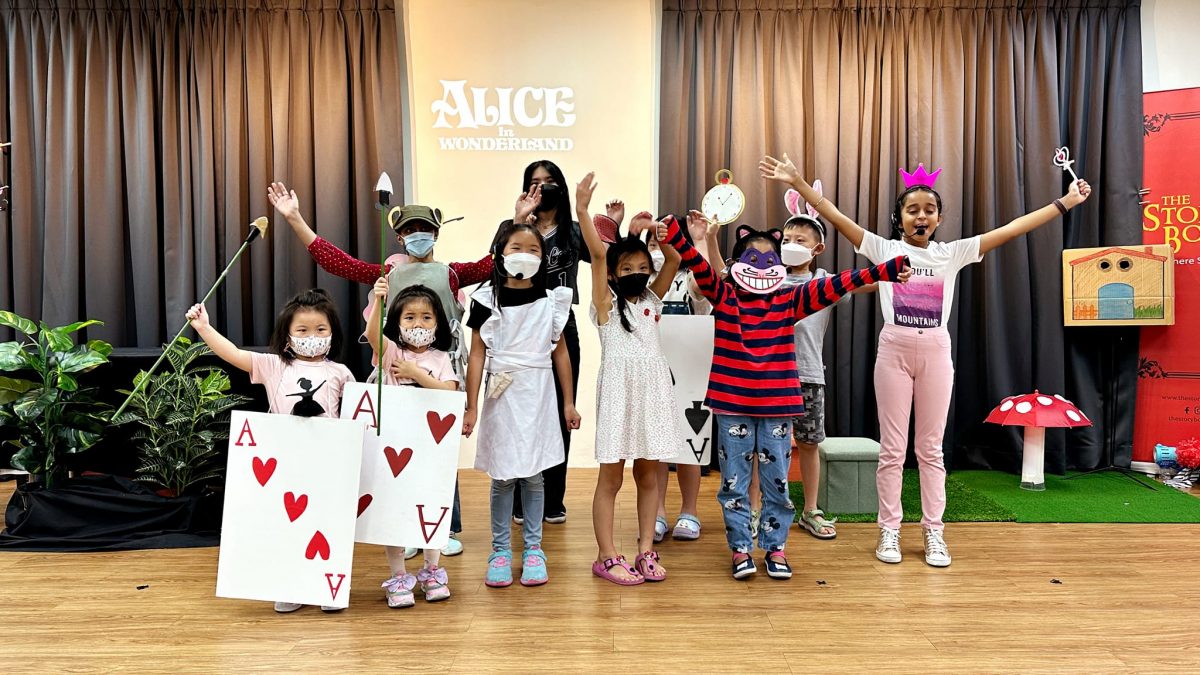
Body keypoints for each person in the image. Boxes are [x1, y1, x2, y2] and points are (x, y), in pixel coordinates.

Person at [761, 152, 1092, 567]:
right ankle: (889, 529)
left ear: (938, 218)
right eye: (912, 209)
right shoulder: (883, 249)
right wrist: (797, 183)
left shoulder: (951, 253)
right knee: (892, 450)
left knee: (931, 449)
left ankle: (934, 531)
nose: (921, 216)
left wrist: (1065, 202)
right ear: (899, 218)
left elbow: (1011, 229)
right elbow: (835, 215)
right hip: (893, 352)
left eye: (929, 210)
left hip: (935, 352)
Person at [661, 212, 910, 580]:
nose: (761, 267)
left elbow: (839, 283)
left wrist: (885, 270)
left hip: (777, 407)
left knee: (777, 482)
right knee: (734, 483)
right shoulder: (724, 295)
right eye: (752, 259)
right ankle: (741, 549)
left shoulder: (790, 300)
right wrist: (676, 235)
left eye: (769, 260)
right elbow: (696, 263)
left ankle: (775, 548)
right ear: (735, 265)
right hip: (733, 406)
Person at [267, 182, 475, 556]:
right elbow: (337, 262)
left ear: (436, 234)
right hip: (394, 373)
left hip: (437, 370)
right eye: (410, 230)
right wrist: (295, 218)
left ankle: (442, 526)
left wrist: (522, 219)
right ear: (399, 237)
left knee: (438, 452)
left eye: (425, 229)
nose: (418, 236)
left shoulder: (451, 274)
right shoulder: (387, 273)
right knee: (395, 453)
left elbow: (491, 264)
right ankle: (401, 527)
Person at [186, 289, 354, 613]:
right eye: (302, 330)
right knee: (286, 523)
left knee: (326, 523)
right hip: (285, 462)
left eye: (320, 329)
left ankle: (327, 588)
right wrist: (204, 327)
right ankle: (291, 585)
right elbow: (234, 354)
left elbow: (354, 415)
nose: (312, 336)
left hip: (327, 462)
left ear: (333, 332)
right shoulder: (274, 365)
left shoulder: (341, 372)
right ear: (287, 336)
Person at [461, 220, 581, 588]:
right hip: (502, 392)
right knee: (502, 475)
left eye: (533, 250)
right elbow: (477, 355)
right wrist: (471, 406)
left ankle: (533, 548)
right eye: (516, 248)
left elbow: (561, 354)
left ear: (543, 258)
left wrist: (569, 403)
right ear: (500, 253)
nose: (525, 255)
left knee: (533, 475)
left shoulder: (552, 301)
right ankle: (499, 550)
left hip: (539, 392)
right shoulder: (486, 299)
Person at [576, 173, 681, 585]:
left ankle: (645, 550)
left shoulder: (653, 299)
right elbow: (597, 256)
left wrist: (662, 237)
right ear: (614, 274)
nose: (637, 272)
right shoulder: (604, 305)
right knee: (612, 477)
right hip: (620, 397)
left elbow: (673, 261)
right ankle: (606, 555)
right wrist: (583, 210)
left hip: (653, 395)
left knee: (649, 475)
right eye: (627, 268)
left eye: (642, 267)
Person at [777, 185, 878, 541]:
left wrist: (894, 271)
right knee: (766, 447)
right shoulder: (767, 278)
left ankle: (810, 510)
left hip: (808, 375)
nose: (791, 244)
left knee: (809, 444)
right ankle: (762, 509)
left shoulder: (823, 282)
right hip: (769, 376)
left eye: (800, 240)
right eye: (786, 238)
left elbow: (865, 283)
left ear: (817, 249)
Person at [365, 281, 460, 608]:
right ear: (397, 322)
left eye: (426, 317)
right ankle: (398, 577)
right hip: (394, 450)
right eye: (409, 317)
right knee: (393, 511)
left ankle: (432, 571)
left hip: (430, 453)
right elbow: (372, 333)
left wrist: (414, 373)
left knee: (430, 508)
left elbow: (449, 392)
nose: (418, 324)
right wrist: (379, 300)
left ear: (438, 323)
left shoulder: (441, 358)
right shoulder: (392, 352)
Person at [505, 160, 584, 525]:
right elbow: (497, 265)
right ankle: (520, 500)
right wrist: (520, 220)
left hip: (562, 328)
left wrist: (615, 226)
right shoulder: (513, 228)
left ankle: (553, 500)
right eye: (535, 182)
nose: (543, 187)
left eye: (550, 181)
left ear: (560, 187)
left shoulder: (573, 232)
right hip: (520, 328)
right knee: (523, 415)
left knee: (561, 413)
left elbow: (606, 257)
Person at [637, 211, 716, 542]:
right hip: (651, 374)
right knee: (655, 448)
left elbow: (707, 283)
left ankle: (689, 511)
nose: (658, 249)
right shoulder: (643, 285)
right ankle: (657, 512)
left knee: (691, 446)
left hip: (691, 376)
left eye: (665, 242)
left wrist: (699, 240)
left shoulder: (689, 280)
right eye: (653, 243)